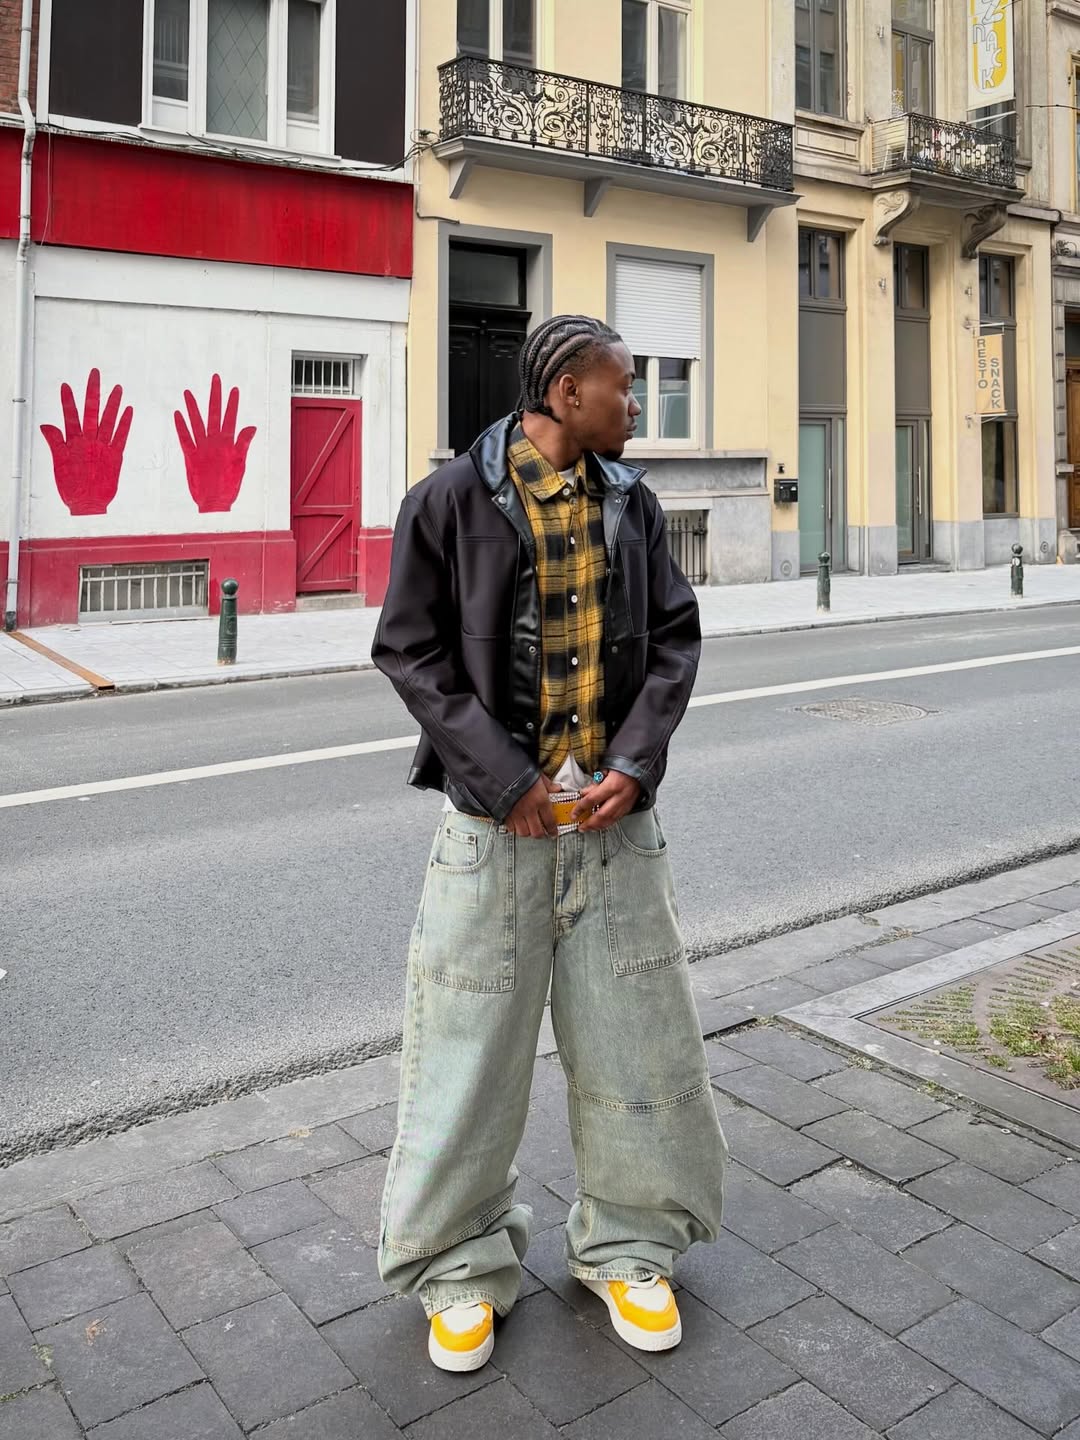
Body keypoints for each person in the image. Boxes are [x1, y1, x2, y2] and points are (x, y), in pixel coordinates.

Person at [371, 314, 726, 1373]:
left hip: (616, 834)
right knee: (466, 1061)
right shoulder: (446, 501)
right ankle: (457, 1266)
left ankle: (632, 1247)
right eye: (625, 386)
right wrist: (506, 780)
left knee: (642, 1046)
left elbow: (674, 640)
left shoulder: (634, 503)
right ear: (569, 392)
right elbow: (410, 650)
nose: (636, 407)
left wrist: (638, 764)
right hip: (494, 836)